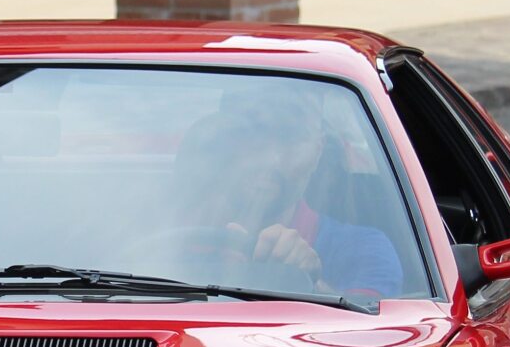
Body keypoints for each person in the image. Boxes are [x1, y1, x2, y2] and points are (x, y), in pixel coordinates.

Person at [168, 101, 403, 298]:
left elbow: (367, 341)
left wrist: (309, 284)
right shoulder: (165, 236)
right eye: (250, 132)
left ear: (317, 151)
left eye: (290, 137)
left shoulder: (362, 250)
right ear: (225, 146)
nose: (269, 158)